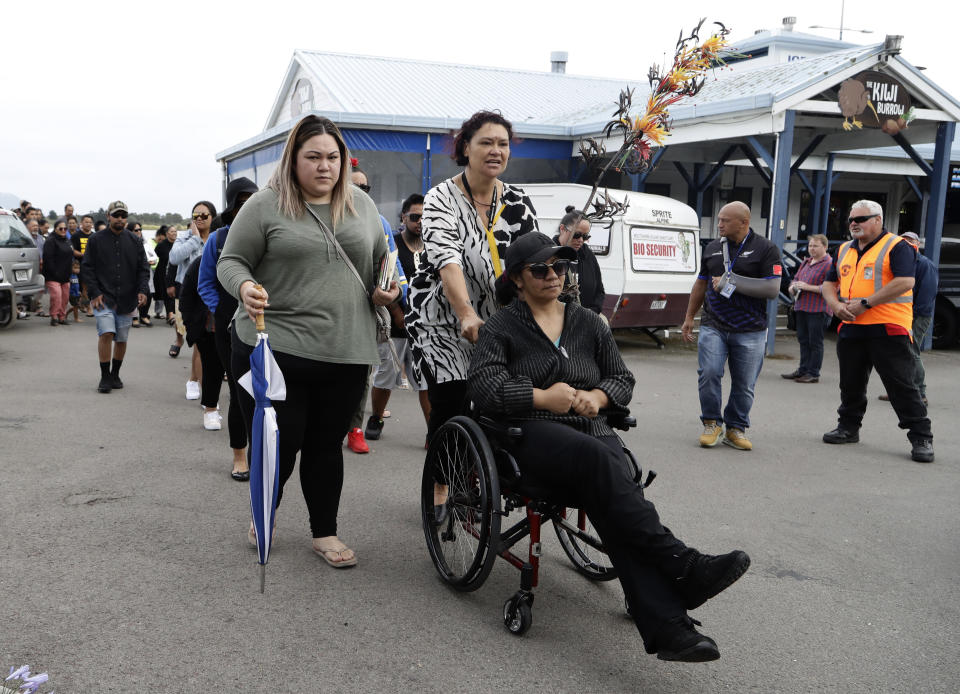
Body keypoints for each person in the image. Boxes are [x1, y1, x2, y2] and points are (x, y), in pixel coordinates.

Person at [469, 232, 751, 662]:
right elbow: (485, 388)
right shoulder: (502, 326)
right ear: (517, 280)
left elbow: (622, 378)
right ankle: (683, 563)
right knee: (605, 464)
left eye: (560, 267)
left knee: (612, 500)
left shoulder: (585, 321)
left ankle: (671, 630)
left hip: (591, 431)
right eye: (540, 269)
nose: (553, 275)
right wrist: (543, 397)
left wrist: (598, 397)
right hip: (530, 434)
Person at [217, 115, 398, 566]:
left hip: (345, 350)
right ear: (293, 159)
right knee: (283, 441)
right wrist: (244, 288)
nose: (324, 166)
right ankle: (265, 512)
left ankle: (325, 533)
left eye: (333, 157)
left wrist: (388, 290)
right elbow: (231, 262)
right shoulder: (265, 205)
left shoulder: (362, 206)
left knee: (324, 444)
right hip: (275, 347)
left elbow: (384, 264)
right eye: (313, 156)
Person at [405, 111, 539, 513]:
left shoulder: (517, 201)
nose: (495, 150)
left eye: (503, 143)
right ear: (466, 147)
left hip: (497, 317)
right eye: (486, 142)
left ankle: (481, 472)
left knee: (502, 399)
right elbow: (448, 261)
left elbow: (533, 260)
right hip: (441, 318)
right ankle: (441, 487)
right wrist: (465, 312)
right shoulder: (441, 198)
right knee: (453, 398)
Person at [820, 201, 934, 463]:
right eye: (851, 219)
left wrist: (866, 304)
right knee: (850, 383)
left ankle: (921, 436)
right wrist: (836, 306)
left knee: (902, 385)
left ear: (878, 220)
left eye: (861, 219)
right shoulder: (844, 250)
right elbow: (828, 283)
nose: (853, 224)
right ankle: (848, 427)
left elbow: (906, 281)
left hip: (888, 327)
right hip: (851, 327)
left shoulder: (897, 246)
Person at [680, 202, 782, 451]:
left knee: (744, 383)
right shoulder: (713, 247)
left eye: (725, 220)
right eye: (719, 220)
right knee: (710, 373)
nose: (719, 224)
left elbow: (772, 289)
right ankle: (712, 423)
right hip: (714, 325)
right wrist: (689, 317)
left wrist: (731, 280)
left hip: (751, 329)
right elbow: (701, 284)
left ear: (744, 222)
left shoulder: (766, 249)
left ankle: (736, 428)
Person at [197, 176, 258, 480]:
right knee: (238, 390)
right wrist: (221, 309)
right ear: (232, 207)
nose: (248, 209)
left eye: (254, 202)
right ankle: (239, 455)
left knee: (268, 391)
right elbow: (204, 283)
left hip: (265, 321)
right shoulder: (218, 239)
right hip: (227, 325)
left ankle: (265, 452)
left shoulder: (268, 233)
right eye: (242, 204)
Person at [345, 163, 408, 453]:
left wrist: (394, 292)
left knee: (360, 373)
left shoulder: (379, 222)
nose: (360, 192)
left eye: (365, 188)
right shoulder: (324, 215)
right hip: (328, 314)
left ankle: (355, 428)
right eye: (354, 186)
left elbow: (391, 266)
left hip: (364, 313)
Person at [364, 193, 431, 444]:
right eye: (415, 217)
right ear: (403, 218)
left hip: (425, 329)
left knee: (425, 380)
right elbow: (383, 281)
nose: (420, 222)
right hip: (395, 325)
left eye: (425, 217)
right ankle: (377, 418)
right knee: (386, 376)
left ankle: (432, 430)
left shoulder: (434, 248)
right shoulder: (391, 244)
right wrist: (397, 313)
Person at [79, 201, 150, 393]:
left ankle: (115, 374)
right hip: (103, 297)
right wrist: (94, 292)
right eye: (116, 215)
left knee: (121, 338)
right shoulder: (95, 240)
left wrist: (143, 290)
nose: (120, 219)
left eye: (123, 216)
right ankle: (104, 377)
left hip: (127, 298)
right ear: (108, 216)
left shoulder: (135, 241)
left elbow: (144, 268)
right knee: (106, 333)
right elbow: (87, 268)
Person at [878, 231, 937, 406]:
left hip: (917, 316)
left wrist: (913, 316)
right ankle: (899, 390)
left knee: (912, 352)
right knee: (897, 353)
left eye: (911, 240)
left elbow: (927, 295)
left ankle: (920, 393)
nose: (907, 243)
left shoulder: (925, 265)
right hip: (898, 314)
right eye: (904, 240)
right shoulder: (901, 262)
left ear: (918, 244)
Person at [170, 202, 217, 397]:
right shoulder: (184, 238)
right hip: (189, 297)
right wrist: (195, 239)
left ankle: (199, 382)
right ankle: (196, 383)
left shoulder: (217, 238)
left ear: (212, 217)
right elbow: (174, 258)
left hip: (211, 296)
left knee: (205, 342)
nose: (199, 218)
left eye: (204, 215)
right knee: (198, 340)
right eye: (195, 215)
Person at [782, 234, 833, 383]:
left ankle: (813, 373)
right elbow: (796, 278)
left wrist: (808, 287)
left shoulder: (829, 264)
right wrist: (792, 287)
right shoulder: (806, 262)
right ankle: (803, 369)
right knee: (803, 340)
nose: (811, 249)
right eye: (810, 245)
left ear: (825, 247)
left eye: (815, 246)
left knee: (815, 342)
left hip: (818, 309)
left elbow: (832, 288)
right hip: (802, 306)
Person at [554, 206, 605, 314]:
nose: (581, 240)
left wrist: (593, 312)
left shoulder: (588, 255)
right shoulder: (551, 254)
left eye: (585, 236)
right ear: (562, 229)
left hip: (589, 319)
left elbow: (599, 290)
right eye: (576, 235)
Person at [41, 220, 74, 326]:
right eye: (61, 228)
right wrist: (54, 272)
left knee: (65, 298)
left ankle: (62, 316)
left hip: (65, 275)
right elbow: (48, 259)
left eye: (65, 228)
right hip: (53, 275)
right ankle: (54, 316)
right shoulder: (50, 241)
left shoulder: (67, 240)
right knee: (57, 296)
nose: (63, 230)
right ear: (55, 229)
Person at [127, 220, 157, 327]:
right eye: (136, 230)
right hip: (131, 274)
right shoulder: (126, 243)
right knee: (133, 294)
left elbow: (153, 257)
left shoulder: (145, 243)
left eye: (140, 229)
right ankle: (133, 317)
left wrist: (151, 262)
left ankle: (144, 315)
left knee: (148, 293)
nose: (139, 231)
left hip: (145, 273)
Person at [72, 214, 96, 316]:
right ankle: (88, 308)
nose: (88, 224)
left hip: (94, 266)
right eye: (86, 222)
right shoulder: (76, 236)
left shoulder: (95, 236)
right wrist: (85, 255)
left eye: (90, 222)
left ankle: (83, 303)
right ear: (81, 223)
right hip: (81, 265)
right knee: (85, 288)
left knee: (92, 287)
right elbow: (72, 250)